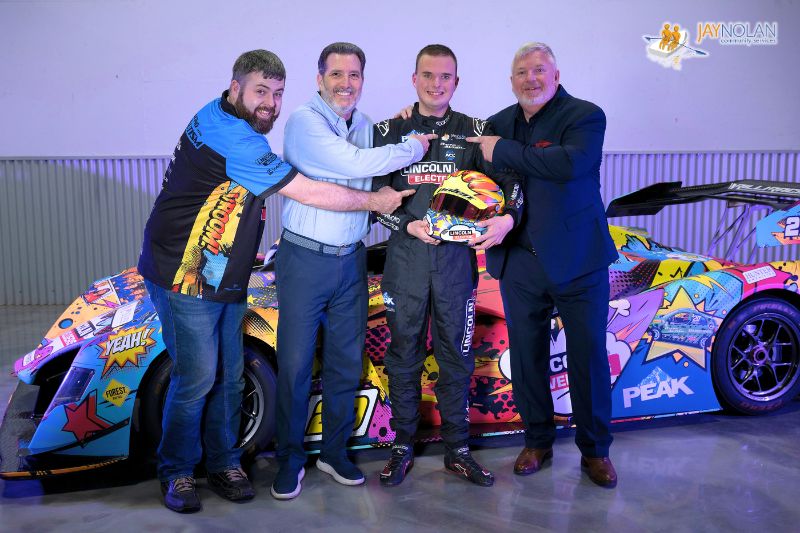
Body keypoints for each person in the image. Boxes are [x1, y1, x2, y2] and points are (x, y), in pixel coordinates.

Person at [138, 49, 416, 513]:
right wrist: (377, 202)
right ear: (235, 89)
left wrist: (398, 124)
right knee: (197, 377)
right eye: (260, 92)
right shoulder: (239, 140)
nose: (270, 103)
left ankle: (225, 463)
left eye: (276, 93)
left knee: (228, 376)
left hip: (222, 270)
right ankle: (178, 472)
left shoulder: (221, 114)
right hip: (183, 273)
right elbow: (307, 191)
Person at [273, 42, 435, 500]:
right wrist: (412, 144)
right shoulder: (304, 122)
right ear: (320, 78)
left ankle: (333, 452)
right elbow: (355, 165)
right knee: (296, 364)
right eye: (337, 75)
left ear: (363, 80)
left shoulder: (363, 125)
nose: (346, 84)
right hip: (305, 258)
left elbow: (374, 166)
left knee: (346, 363)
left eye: (354, 76)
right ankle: (289, 459)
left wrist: (404, 127)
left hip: (351, 260)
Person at [467, 42, 619, 488]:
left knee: (587, 357)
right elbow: (481, 171)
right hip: (520, 260)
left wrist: (504, 152)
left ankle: (595, 451)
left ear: (555, 74)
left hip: (579, 261)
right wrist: (408, 120)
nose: (530, 79)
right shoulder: (498, 124)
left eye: (539, 71)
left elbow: (569, 164)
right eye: (521, 72)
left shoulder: (585, 116)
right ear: (511, 79)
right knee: (528, 358)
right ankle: (536, 441)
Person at [372, 44, 523, 487]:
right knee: (404, 357)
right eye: (428, 76)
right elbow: (372, 202)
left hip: (457, 266)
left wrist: (503, 221)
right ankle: (402, 446)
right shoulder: (389, 129)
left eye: (445, 77)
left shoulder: (478, 130)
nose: (436, 84)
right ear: (414, 78)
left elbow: (511, 185)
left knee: (456, 357)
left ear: (456, 82)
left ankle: (457, 449)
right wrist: (406, 224)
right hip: (406, 262)